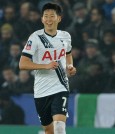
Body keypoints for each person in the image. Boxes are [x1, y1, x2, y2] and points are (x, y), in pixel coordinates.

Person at [19, 3, 76, 134]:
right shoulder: (35, 38)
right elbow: (22, 64)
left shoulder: (66, 36)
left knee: (60, 127)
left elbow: (68, 54)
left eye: (52, 16)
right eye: (46, 16)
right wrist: (45, 65)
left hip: (61, 86)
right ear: (42, 19)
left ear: (59, 18)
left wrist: (70, 66)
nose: (49, 19)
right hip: (41, 90)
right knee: (49, 130)